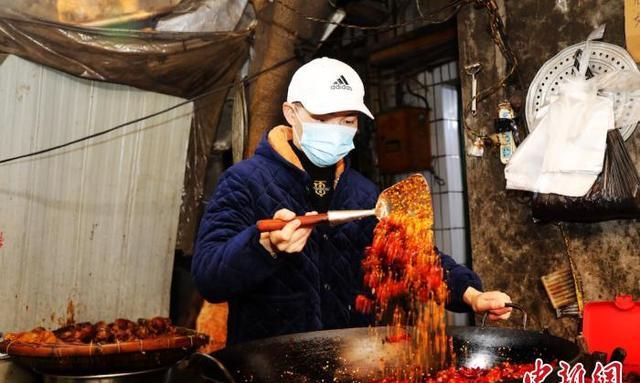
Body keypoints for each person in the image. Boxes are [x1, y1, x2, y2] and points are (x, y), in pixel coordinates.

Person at [192, 57, 512, 346]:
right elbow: (208, 277)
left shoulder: (364, 194)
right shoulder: (244, 182)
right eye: (324, 118)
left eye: (348, 121)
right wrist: (263, 247)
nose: (337, 130)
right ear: (291, 113)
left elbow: (416, 258)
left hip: (351, 362)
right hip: (269, 367)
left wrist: (471, 295)